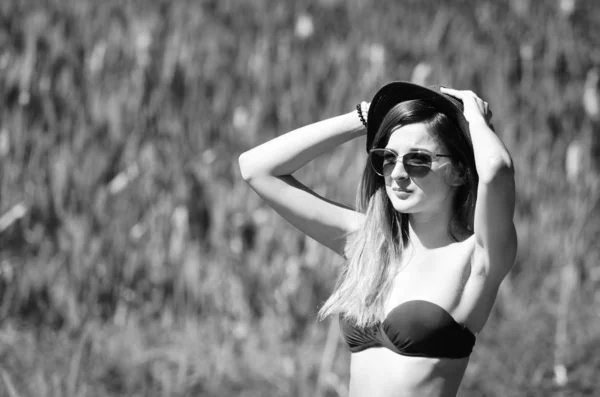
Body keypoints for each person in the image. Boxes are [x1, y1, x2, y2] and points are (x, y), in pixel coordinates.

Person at [238, 81, 517, 397]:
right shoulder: (370, 244)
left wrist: (475, 119)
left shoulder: (478, 257)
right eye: (387, 158)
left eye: (418, 160)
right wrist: (362, 118)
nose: (397, 173)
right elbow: (256, 168)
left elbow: (496, 169)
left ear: (459, 172)